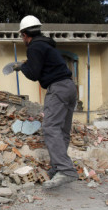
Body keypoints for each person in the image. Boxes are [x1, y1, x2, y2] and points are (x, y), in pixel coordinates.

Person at [13, 15, 78, 189]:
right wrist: (27, 65)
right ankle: (58, 168)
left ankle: (65, 169)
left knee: (50, 128)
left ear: (26, 34)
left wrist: (21, 67)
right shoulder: (47, 45)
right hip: (70, 87)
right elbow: (40, 66)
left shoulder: (34, 47)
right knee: (62, 130)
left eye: (22, 36)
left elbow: (34, 74)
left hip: (57, 89)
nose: (23, 39)